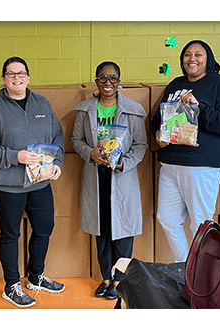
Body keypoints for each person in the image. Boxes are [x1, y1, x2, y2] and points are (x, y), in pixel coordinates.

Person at [0, 56, 65, 308]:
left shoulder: (42, 104)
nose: (17, 78)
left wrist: (57, 162)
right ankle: (11, 285)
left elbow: (57, 134)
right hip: (5, 185)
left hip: (39, 182)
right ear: (3, 78)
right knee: (11, 234)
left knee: (44, 228)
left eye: (21, 73)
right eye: (11, 74)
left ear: (28, 76)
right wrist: (16, 157)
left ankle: (35, 277)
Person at [150, 40, 220, 262]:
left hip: (202, 164)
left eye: (199, 54)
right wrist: (158, 134)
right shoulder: (175, 84)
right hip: (170, 163)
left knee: (200, 222)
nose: (192, 59)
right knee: (167, 218)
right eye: (187, 55)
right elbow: (157, 120)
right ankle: (186, 267)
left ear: (208, 58)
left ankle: (204, 276)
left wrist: (200, 108)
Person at [71, 61, 148, 300]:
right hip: (96, 177)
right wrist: (90, 153)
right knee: (101, 230)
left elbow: (141, 145)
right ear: (96, 80)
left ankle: (119, 279)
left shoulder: (133, 110)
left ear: (119, 81)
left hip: (122, 178)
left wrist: (125, 162)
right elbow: (76, 140)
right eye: (103, 78)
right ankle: (105, 278)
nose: (108, 83)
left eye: (113, 78)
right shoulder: (85, 110)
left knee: (123, 232)